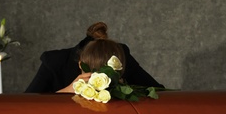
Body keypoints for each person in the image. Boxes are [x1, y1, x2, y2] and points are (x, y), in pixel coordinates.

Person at [25, 22, 164, 93]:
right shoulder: (54, 62)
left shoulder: (121, 57)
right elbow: (25, 105)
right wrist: (64, 92)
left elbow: (158, 92)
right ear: (80, 64)